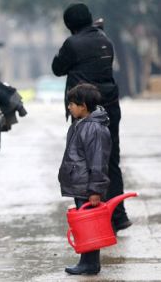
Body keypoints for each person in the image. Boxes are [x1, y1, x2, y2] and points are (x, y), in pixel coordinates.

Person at [52, 2, 132, 232]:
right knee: (110, 159)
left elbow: (57, 68)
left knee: (85, 164)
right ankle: (119, 215)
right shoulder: (105, 39)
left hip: (85, 111)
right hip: (111, 107)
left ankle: (94, 219)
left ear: (69, 25)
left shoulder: (72, 44)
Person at [58, 83, 112, 275]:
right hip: (81, 184)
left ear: (83, 105)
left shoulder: (93, 129)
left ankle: (89, 263)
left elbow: (97, 161)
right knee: (85, 225)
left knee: (88, 226)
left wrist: (95, 190)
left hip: (87, 187)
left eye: (72, 104)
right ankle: (88, 262)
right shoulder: (81, 124)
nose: (69, 107)